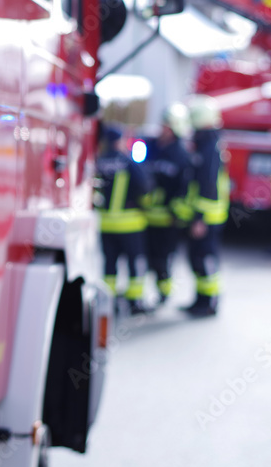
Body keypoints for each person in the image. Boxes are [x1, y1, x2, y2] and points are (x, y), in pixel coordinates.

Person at [95, 124, 151, 315]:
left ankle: (108, 303)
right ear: (119, 141)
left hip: (106, 224)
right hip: (129, 224)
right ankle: (134, 302)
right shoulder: (128, 162)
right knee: (135, 263)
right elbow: (144, 186)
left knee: (109, 264)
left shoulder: (99, 161)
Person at [182, 96, 229, 317]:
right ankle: (200, 300)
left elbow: (207, 184)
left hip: (207, 216)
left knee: (205, 259)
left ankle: (209, 303)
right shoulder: (206, 143)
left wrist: (199, 217)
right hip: (203, 215)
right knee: (197, 258)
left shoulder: (210, 147)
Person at [144, 103, 193, 305]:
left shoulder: (182, 155)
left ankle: (164, 292)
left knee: (163, 259)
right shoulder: (151, 146)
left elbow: (185, 188)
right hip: (147, 216)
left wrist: (177, 214)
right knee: (147, 257)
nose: (162, 129)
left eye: (166, 126)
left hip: (168, 219)